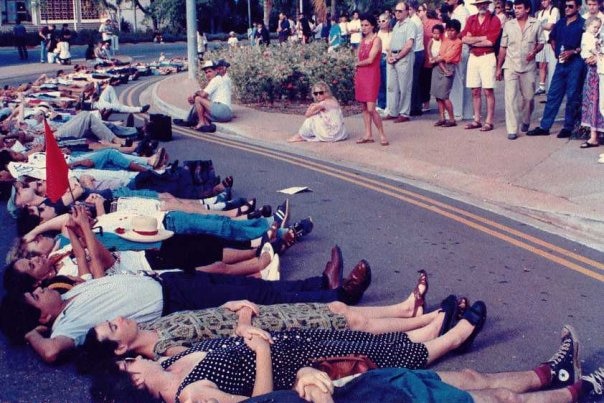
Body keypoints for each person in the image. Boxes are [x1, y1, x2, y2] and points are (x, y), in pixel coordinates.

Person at [0, 250, 371, 362]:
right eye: (36, 296)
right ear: (43, 316)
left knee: (248, 286)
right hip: (174, 303)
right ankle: (339, 297)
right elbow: (49, 352)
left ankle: (321, 286)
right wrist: (29, 331)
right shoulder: (67, 326)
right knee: (258, 302)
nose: (41, 287)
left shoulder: (70, 293)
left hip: (170, 281)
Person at [92, 304, 485, 401]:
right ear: (136, 378)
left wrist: (244, 324)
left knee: (371, 345)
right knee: (373, 361)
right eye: (128, 363)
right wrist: (261, 350)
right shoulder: (193, 395)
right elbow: (263, 402)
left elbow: (211, 339)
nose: (135, 359)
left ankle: (433, 331)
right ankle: (450, 340)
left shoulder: (170, 361)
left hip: (291, 348)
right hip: (294, 368)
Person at [243, 326, 603, 403]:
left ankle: (553, 374)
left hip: (372, 387)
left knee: (470, 376)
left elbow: (266, 397)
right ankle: (582, 390)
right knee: (498, 400)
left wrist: (304, 376)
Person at [527, 0, 585, 139]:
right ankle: (545, 126)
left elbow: (586, 44)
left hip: (575, 63)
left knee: (572, 95)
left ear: (578, 7)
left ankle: (568, 127)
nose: (567, 8)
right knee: (553, 93)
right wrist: (555, 51)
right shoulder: (560, 23)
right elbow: (552, 38)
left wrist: (573, 52)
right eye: (565, 6)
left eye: (571, 6)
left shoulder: (583, 24)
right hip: (561, 62)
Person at [496, 0, 544, 140]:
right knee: (510, 98)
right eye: (515, 8)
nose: (516, 10)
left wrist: (534, 51)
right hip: (510, 65)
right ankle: (512, 129)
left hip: (528, 66)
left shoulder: (536, 24)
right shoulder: (508, 25)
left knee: (528, 98)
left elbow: (541, 42)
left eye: (519, 8)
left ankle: (526, 120)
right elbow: (503, 47)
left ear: (527, 9)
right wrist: (499, 67)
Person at [461, 0, 502, 132]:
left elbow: (491, 42)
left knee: (488, 90)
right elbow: (463, 38)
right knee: (475, 90)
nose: (481, 6)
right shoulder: (471, 19)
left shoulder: (494, 19)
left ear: (487, 4)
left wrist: (473, 40)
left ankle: (489, 121)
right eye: (479, 4)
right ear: (476, 6)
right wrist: (481, 38)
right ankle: (477, 119)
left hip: (487, 56)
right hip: (474, 56)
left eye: (484, 3)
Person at [354, 15, 389, 146]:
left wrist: (357, 64)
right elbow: (359, 56)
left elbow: (370, 59)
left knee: (371, 108)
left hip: (372, 74)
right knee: (364, 106)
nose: (364, 28)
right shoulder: (362, 40)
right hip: (361, 74)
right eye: (362, 25)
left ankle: (382, 134)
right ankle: (368, 134)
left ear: (373, 26)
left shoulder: (377, 40)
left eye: (366, 25)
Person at [383, 2, 416, 123]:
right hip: (393, 56)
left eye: (400, 11)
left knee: (404, 87)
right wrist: (390, 56)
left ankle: (404, 113)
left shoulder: (410, 25)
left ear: (407, 11)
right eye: (396, 11)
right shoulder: (396, 24)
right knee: (392, 86)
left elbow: (408, 45)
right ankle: (393, 111)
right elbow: (392, 43)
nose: (397, 13)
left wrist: (397, 57)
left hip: (404, 58)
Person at [431, 21, 463, 127]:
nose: (449, 32)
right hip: (438, 66)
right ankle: (442, 117)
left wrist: (436, 59)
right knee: (438, 95)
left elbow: (449, 56)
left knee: (444, 95)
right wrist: (437, 58)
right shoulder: (444, 39)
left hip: (448, 66)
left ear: (457, 31)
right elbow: (438, 51)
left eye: (452, 30)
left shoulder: (458, 42)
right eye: (448, 30)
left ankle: (452, 119)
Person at [579, 16, 604, 148]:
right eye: (594, 27)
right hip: (594, 72)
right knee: (593, 101)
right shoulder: (587, 36)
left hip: (600, 68)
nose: (596, 29)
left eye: (598, 27)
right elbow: (586, 51)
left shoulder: (597, 35)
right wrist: (591, 57)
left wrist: (597, 56)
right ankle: (593, 136)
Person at [189, 61, 233, 132]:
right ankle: (207, 125)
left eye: (209, 71)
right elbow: (205, 98)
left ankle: (201, 123)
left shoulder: (216, 79)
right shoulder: (223, 80)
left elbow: (203, 95)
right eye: (206, 72)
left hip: (221, 110)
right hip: (228, 114)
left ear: (216, 71)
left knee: (198, 99)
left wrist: (195, 94)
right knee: (201, 108)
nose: (207, 74)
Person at [535, 0, 560, 95]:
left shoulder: (554, 10)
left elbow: (550, 26)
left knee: (551, 66)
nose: (543, 2)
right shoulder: (540, 13)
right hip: (541, 41)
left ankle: (552, 88)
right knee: (542, 64)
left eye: (544, 0)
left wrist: (538, 25)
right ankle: (542, 86)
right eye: (541, 1)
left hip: (551, 42)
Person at [418, 6, 441, 112]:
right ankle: (441, 105)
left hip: (425, 56)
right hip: (436, 56)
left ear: (425, 12)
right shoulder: (438, 23)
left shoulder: (421, 24)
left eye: (420, 11)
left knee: (425, 82)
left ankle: (426, 105)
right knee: (437, 82)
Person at [409, 1, 426, 116]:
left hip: (416, 52)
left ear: (414, 9)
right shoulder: (414, 20)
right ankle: (415, 106)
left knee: (413, 81)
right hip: (417, 51)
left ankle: (415, 107)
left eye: (409, 9)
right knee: (415, 80)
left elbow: (411, 39)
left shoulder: (413, 21)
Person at [376, 13, 392, 113]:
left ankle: (389, 104)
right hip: (379, 57)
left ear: (388, 21)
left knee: (388, 82)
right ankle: (381, 104)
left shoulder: (392, 32)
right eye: (380, 21)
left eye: (384, 20)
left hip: (387, 57)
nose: (381, 23)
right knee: (380, 82)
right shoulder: (378, 33)